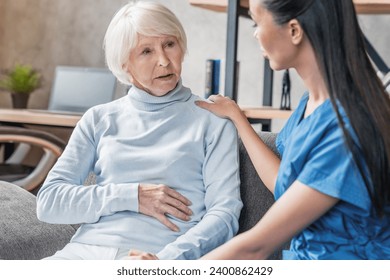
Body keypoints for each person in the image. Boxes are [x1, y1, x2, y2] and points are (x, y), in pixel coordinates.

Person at [36, 1, 242, 260]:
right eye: (146, 51)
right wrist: (131, 196)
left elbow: (225, 214)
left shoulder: (212, 120)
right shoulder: (99, 119)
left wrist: (167, 261)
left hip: (156, 255)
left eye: (170, 44)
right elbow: (49, 202)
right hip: (82, 254)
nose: (164, 61)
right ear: (124, 64)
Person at [196, 0, 390, 260]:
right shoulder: (308, 106)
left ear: (295, 31)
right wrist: (237, 117)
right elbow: (285, 187)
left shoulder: (347, 130)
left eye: (256, 21)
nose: (255, 33)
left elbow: (255, 247)